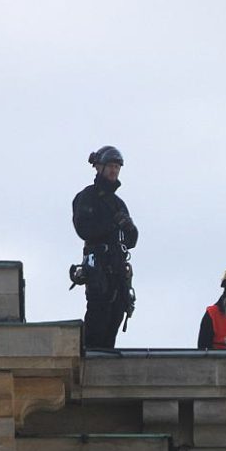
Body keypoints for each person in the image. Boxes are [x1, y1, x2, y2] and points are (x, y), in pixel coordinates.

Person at [72, 145, 138, 349]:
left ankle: (106, 356)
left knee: (116, 313)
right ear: (99, 167)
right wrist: (112, 224)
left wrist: (128, 227)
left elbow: (131, 241)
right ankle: (91, 356)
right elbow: (84, 229)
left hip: (117, 269)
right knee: (98, 316)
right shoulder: (87, 197)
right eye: (110, 165)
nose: (114, 170)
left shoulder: (119, 204)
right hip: (98, 268)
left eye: (117, 166)